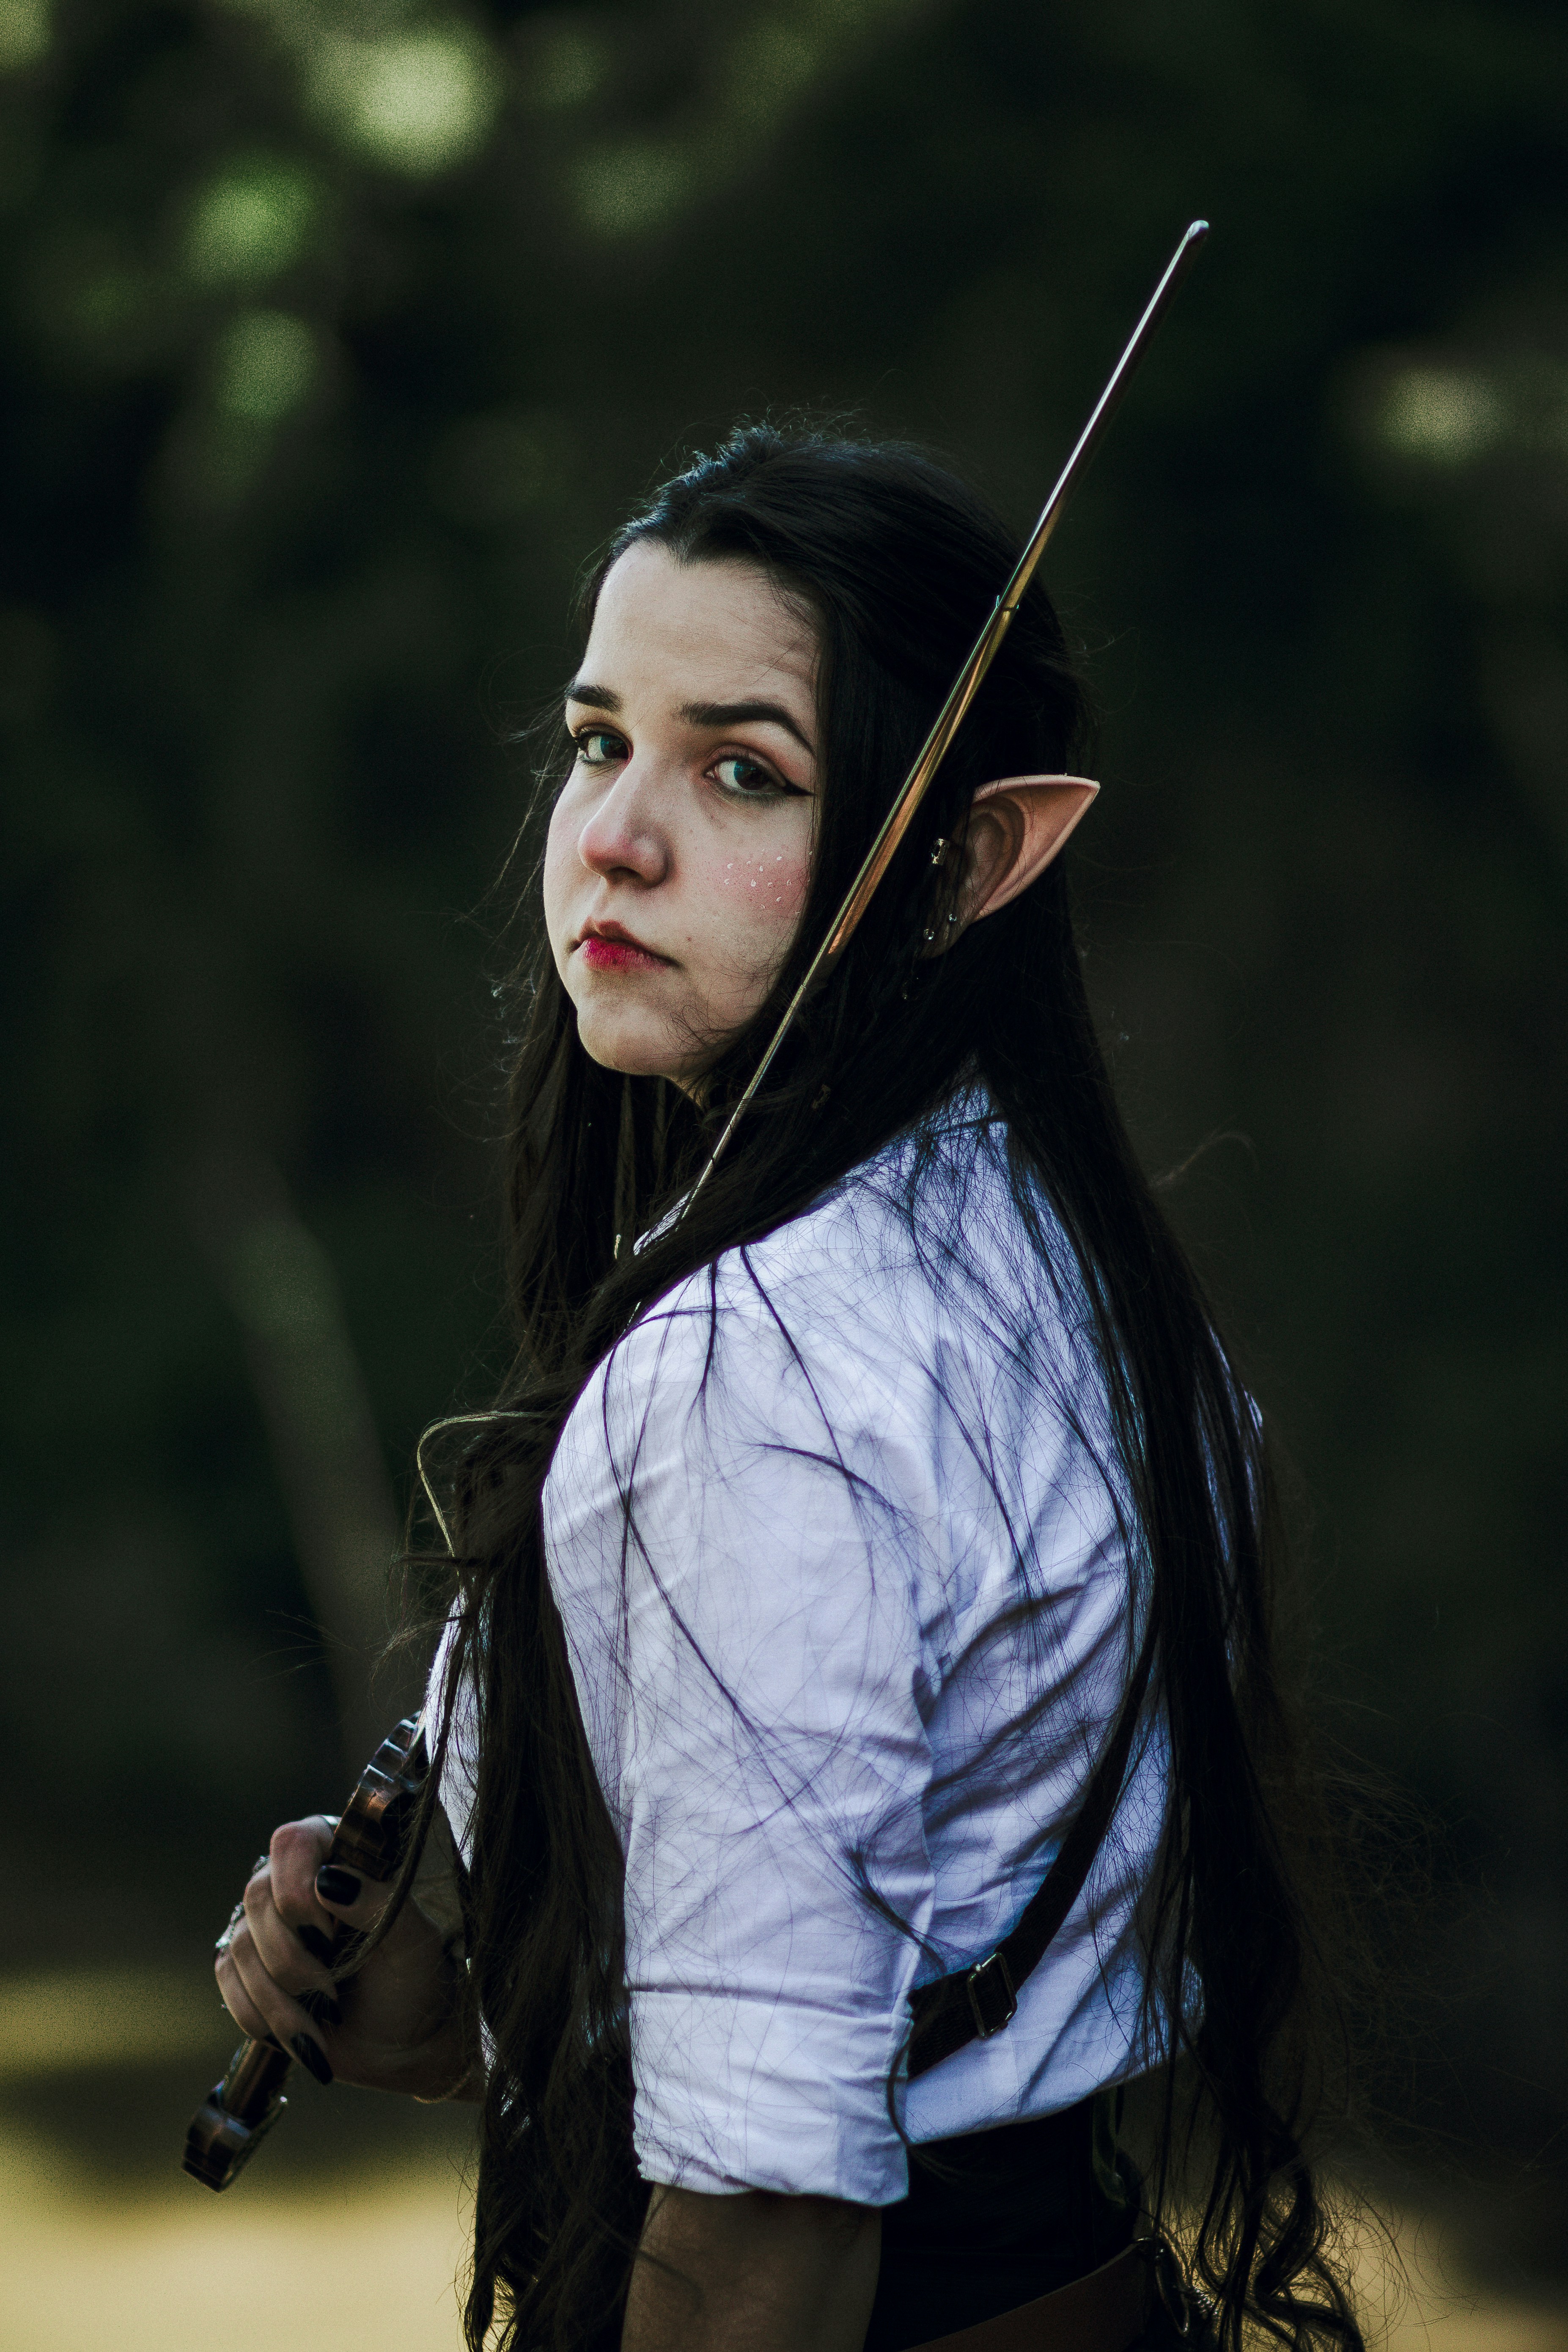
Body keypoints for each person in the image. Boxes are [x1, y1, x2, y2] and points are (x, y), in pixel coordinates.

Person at [214, 426, 1366, 2352]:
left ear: (972, 856)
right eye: (601, 741)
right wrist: (466, 1994)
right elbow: (877, 1953)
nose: (616, 837)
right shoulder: (1075, 1272)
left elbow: (769, 2224)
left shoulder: (762, 1382)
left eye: (743, 768)